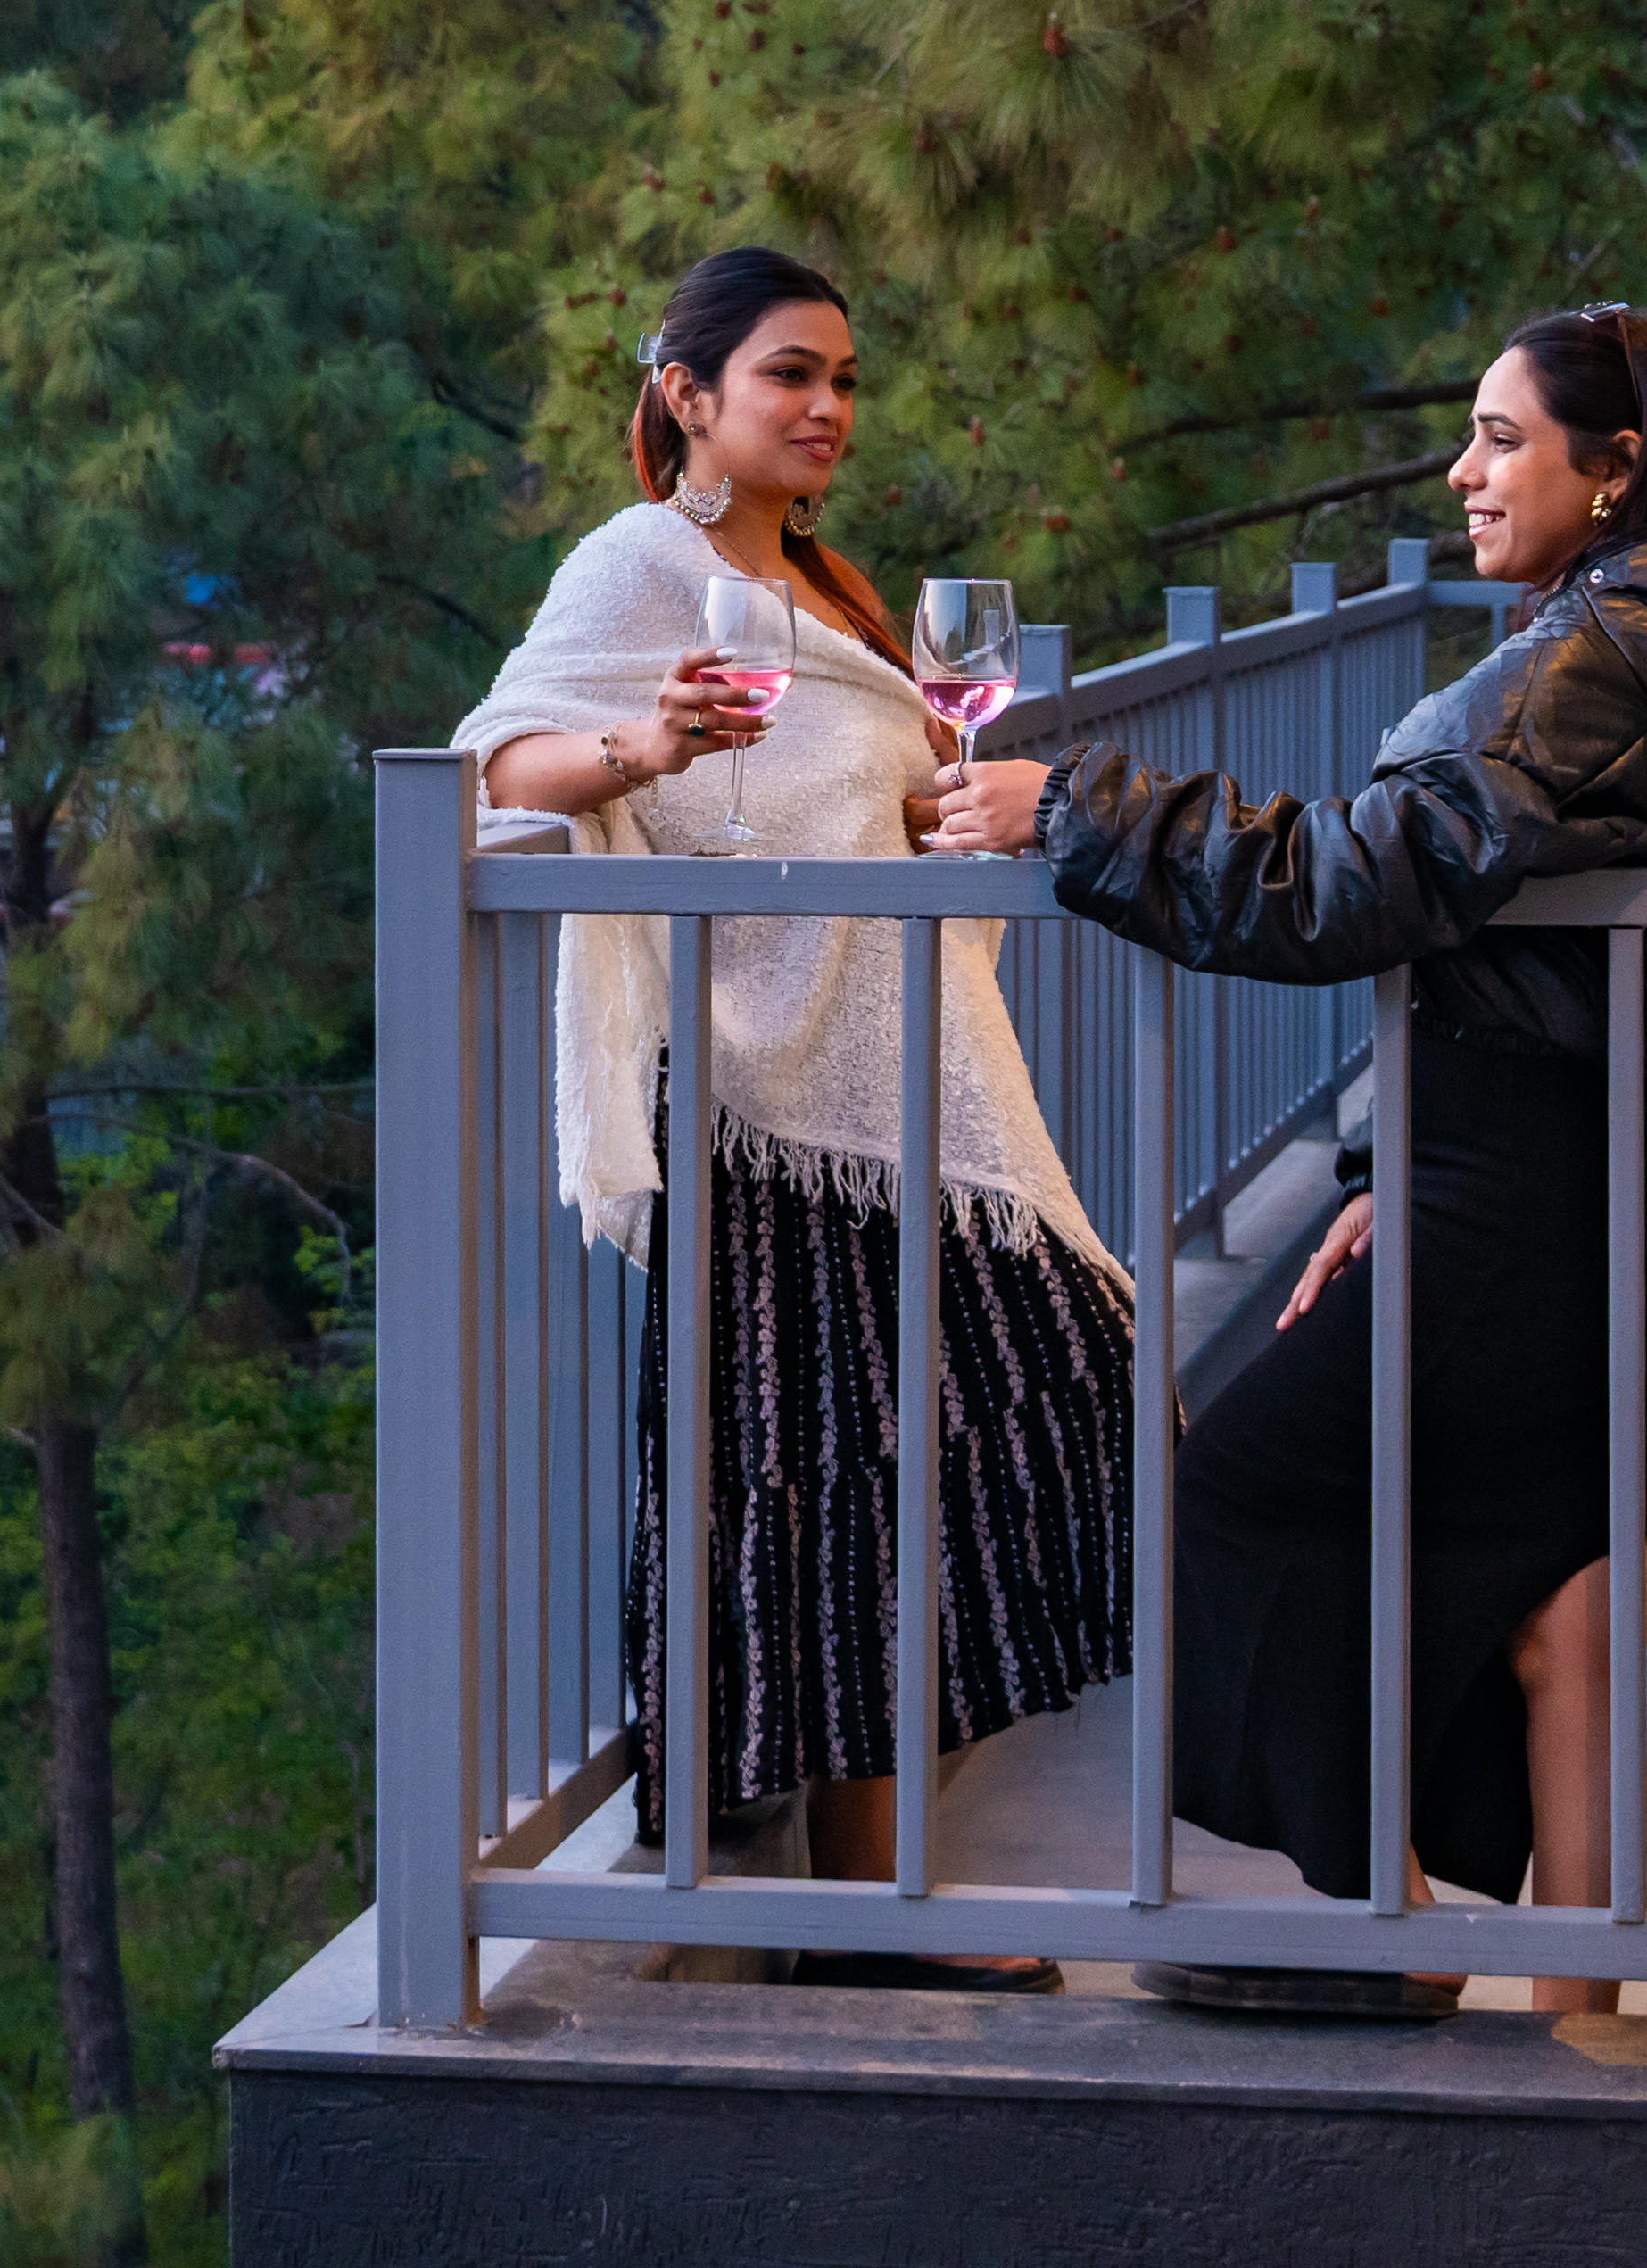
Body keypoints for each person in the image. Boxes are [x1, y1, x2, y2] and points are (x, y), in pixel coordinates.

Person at [930, 303, 1647, 2021]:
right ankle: (1581, 2025)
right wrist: (1391, 1164)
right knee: (1562, 1607)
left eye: (1503, 439)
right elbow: (1528, 953)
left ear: (1614, 472)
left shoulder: (1588, 660)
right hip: (1605, 1174)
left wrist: (1071, 810)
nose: (1463, 471)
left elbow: (1354, 881)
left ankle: (1395, 1933)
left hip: (1534, 1193)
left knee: (1236, 1491)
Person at [460, 246, 1138, 1989]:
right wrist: (646, 746)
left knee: (990, 1428)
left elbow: (859, 795)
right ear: (688, 393)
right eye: (789, 374)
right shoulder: (640, 563)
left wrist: (938, 808)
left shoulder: (831, 580)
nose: (828, 405)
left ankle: (869, 1890)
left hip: (898, 1074)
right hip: (762, 1102)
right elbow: (498, 765)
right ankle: (863, 1908)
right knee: (839, 1493)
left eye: (844, 378)